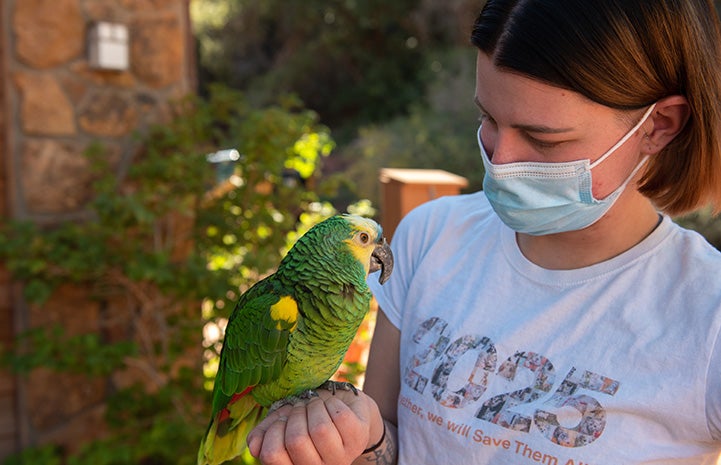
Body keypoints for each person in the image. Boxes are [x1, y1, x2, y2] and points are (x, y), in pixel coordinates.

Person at [246, 0, 721, 463]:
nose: (500, 159)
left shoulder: (707, 316)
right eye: (489, 119)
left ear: (658, 125)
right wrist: (360, 442)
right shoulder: (428, 237)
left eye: (542, 138)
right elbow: (390, 439)